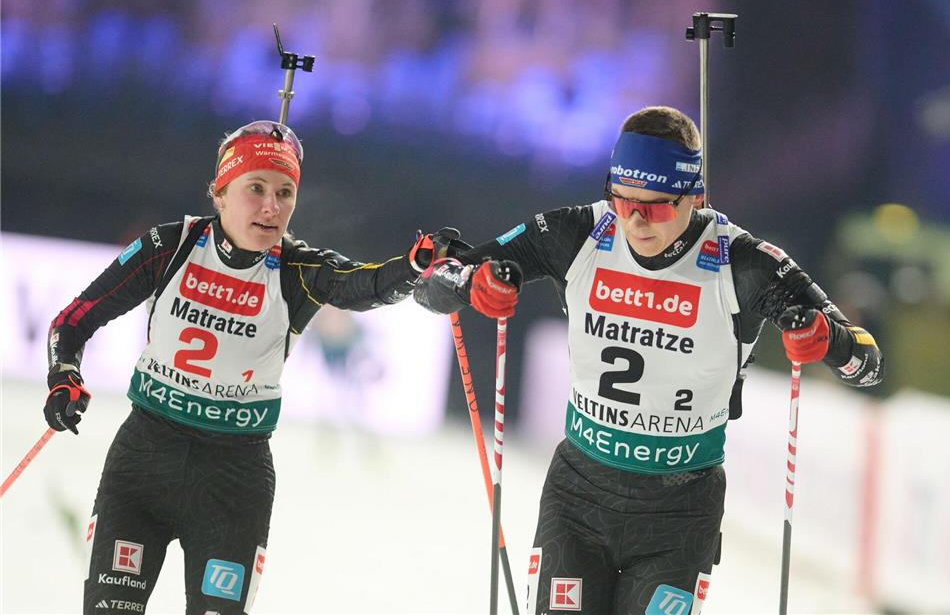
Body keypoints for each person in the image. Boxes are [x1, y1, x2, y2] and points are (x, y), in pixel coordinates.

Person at [413, 106, 884, 614]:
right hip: (580, 494)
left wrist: (826, 341)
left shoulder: (743, 263)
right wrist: (471, 284)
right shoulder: (577, 233)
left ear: (693, 197)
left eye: (655, 207)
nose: (634, 220)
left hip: (679, 511)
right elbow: (433, 281)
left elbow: (868, 360)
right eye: (622, 199)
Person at [44, 120, 458, 614]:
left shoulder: (298, 270)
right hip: (143, 466)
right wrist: (63, 375)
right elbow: (73, 320)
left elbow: (363, 285)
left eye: (285, 192)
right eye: (255, 188)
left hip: (232, 482)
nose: (271, 206)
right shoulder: (171, 245)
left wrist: (415, 266)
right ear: (220, 192)